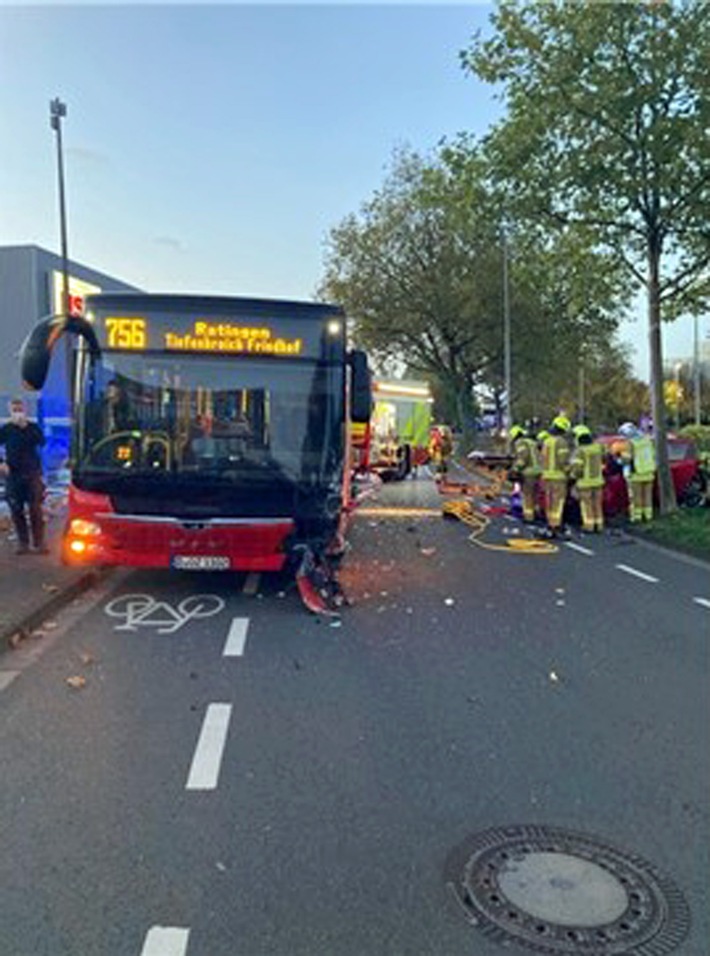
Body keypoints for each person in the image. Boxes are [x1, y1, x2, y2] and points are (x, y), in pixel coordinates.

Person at [0, 398, 48, 555]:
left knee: (35, 508)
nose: (18, 413)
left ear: (25, 411)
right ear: (10, 411)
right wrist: (1, 463)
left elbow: (42, 442)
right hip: (13, 473)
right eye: (14, 410)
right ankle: (23, 543)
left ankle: (39, 542)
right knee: (16, 509)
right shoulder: (6, 429)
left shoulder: (33, 428)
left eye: (20, 410)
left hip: (32, 472)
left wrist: (26, 426)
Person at [569, 425, 605, 532]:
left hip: (585, 483)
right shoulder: (597, 448)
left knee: (586, 506)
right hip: (598, 481)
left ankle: (589, 526)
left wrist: (573, 477)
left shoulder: (579, 451)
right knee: (597, 504)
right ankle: (599, 525)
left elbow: (578, 469)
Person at [619, 421, 656, 522]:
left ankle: (637, 517)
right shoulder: (647, 440)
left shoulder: (630, 443)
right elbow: (653, 454)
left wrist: (619, 458)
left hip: (636, 474)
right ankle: (648, 516)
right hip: (649, 472)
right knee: (647, 496)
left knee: (636, 497)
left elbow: (627, 459)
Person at [540, 415, 571, 534]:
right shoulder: (561, 442)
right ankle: (556, 524)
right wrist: (569, 471)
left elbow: (542, 458)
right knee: (558, 502)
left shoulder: (547, 441)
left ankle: (550, 523)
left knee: (550, 501)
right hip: (558, 477)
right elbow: (563, 461)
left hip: (547, 476)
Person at [509, 424, 541, 522]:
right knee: (535, 495)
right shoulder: (532, 442)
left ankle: (528, 517)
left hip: (528, 472)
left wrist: (515, 469)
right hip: (538, 471)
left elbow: (523, 457)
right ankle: (536, 513)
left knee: (527, 495)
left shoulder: (520, 442)